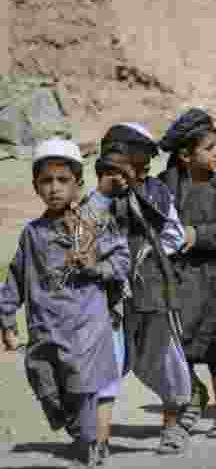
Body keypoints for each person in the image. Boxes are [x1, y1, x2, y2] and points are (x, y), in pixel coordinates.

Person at [1, 139, 128, 467]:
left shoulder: (94, 224)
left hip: (85, 327)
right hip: (44, 327)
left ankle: (90, 445)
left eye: (62, 180)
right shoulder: (32, 233)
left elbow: (121, 262)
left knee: (81, 387)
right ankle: (81, 435)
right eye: (46, 181)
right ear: (35, 187)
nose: (54, 188)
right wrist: (6, 317)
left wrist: (94, 267)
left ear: (77, 184)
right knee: (43, 381)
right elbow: (16, 276)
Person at [94, 122, 193, 455]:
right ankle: (99, 437)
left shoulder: (156, 192)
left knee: (164, 356)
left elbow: (174, 235)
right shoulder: (96, 199)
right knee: (105, 361)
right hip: (108, 294)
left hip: (151, 288)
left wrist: (145, 254)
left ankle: (172, 424)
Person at [158, 108, 216, 439]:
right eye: (209, 148)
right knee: (178, 345)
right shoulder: (164, 186)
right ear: (185, 155)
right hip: (178, 280)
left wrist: (199, 235)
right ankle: (193, 393)